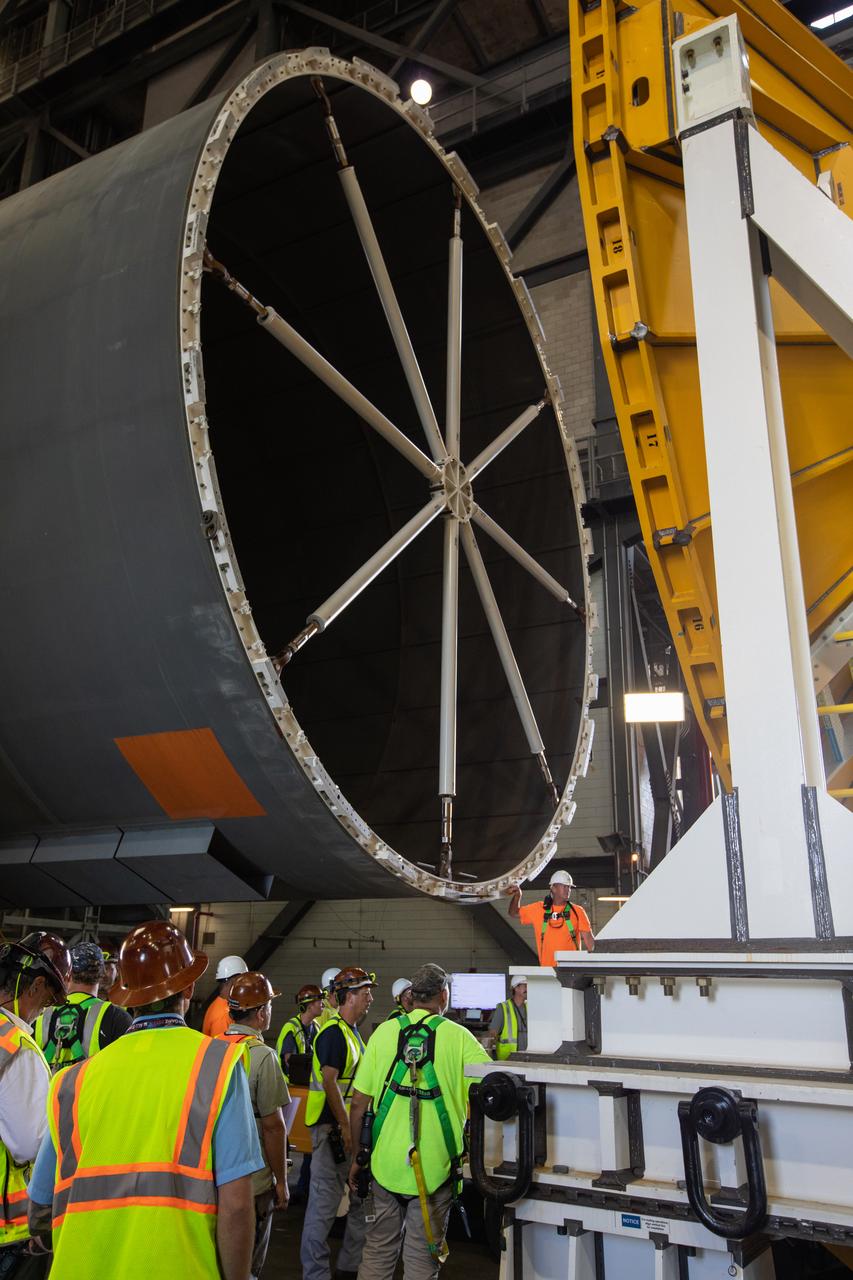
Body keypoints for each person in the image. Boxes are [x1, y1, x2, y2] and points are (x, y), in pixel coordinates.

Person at [27, 921, 264, 1280]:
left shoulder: (70, 1083)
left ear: (126, 993)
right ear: (189, 986)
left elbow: (41, 1205)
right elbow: (235, 1205)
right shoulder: (218, 1066)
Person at [348, 963, 491, 1280]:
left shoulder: (384, 1033)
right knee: (423, 1264)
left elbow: (358, 1103)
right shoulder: (460, 1038)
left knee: (377, 1255)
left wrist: (358, 1156)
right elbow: (491, 1095)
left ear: (411, 996)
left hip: (384, 1168)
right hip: (435, 1171)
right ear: (444, 995)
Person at [0, 932, 70, 1280]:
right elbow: (30, 1144)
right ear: (35, 985)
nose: (46, 1008)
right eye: (47, 998)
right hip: (6, 1229)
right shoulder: (17, 1048)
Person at [300, 967, 375, 1280]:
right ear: (350, 996)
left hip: (348, 1134)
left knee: (360, 1200)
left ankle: (347, 1268)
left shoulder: (351, 1032)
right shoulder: (333, 1033)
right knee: (323, 1208)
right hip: (332, 1132)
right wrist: (345, 1128)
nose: (371, 998)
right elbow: (330, 1082)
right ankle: (315, 1274)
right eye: (366, 992)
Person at [220, 972, 290, 1280]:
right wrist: (281, 1181)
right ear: (261, 1013)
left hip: (213, 1176)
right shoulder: (262, 1057)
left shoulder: (209, 1048)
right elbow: (274, 1128)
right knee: (247, 1265)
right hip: (253, 1180)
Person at [34, 942, 131, 1072]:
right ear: (101, 974)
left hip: (48, 1092)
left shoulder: (40, 1015)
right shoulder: (116, 1017)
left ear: (67, 972)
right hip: (90, 1091)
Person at [509, 870, 594, 965]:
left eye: (569, 887)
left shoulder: (577, 911)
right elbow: (513, 913)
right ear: (553, 888)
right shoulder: (538, 909)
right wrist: (517, 896)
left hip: (572, 971)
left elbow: (589, 941)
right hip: (547, 971)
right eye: (564, 886)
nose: (568, 890)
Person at [275, 984, 323, 1078]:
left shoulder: (316, 1026)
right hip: (292, 1087)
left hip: (306, 1083)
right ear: (310, 1006)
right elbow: (290, 1062)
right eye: (320, 1002)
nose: (323, 1005)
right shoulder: (291, 1028)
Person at [203, 955, 249, 1038]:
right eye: (243, 979)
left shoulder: (222, 1004)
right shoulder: (224, 1014)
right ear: (235, 979)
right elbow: (220, 1049)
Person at [488, 975, 528, 1060]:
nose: (527, 989)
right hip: (508, 1058)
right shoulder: (503, 1008)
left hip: (528, 1057)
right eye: (525, 986)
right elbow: (493, 1033)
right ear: (516, 988)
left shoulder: (530, 1007)